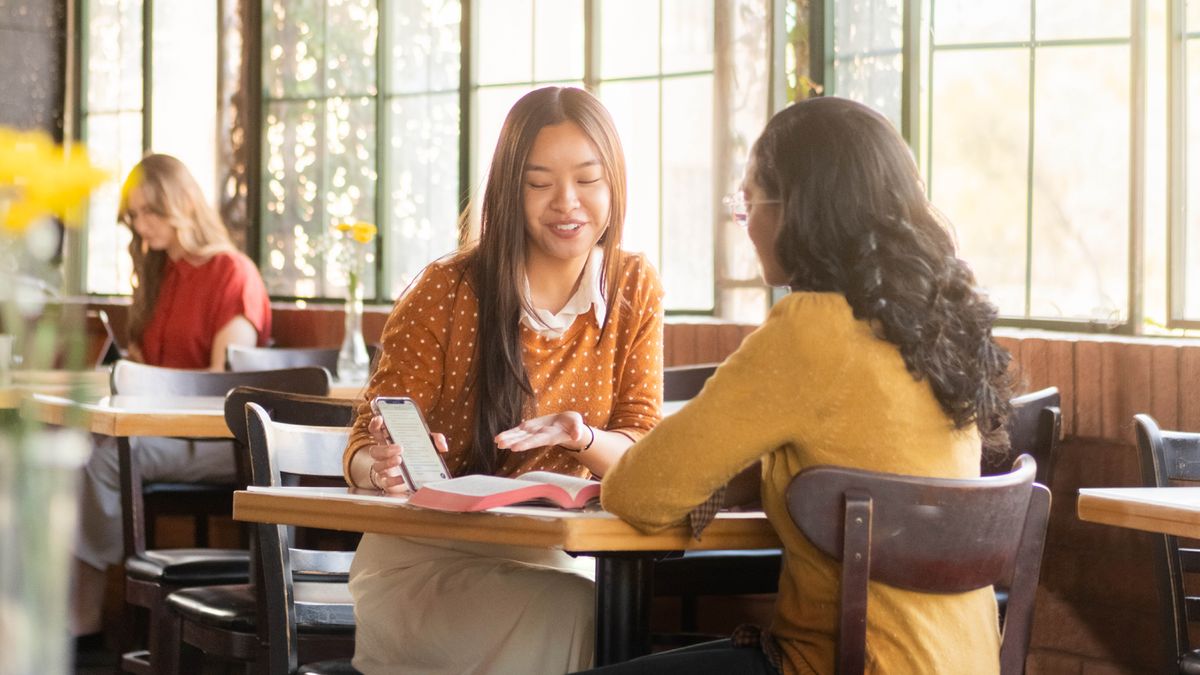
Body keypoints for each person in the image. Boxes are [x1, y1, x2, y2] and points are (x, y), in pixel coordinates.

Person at [580, 96, 1015, 675]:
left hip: (852, 662)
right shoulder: (934, 327)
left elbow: (637, 492)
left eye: (749, 201)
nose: (747, 224)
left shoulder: (810, 328)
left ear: (799, 210)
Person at [343, 86, 664, 674]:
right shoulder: (447, 289)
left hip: (560, 557)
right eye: (539, 183)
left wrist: (582, 437)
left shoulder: (633, 286)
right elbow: (365, 441)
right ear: (509, 190)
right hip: (422, 562)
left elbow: (641, 451)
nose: (567, 202)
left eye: (588, 180)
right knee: (583, 615)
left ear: (614, 183)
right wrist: (380, 465)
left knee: (608, 612)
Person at [71, 153, 272, 641]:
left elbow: (222, 387)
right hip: (162, 433)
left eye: (149, 212)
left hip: (224, 443)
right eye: (134, 215)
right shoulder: (159, 274)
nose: (140, 225)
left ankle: (83, 612)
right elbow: (139, 369)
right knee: (64, 448)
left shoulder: (231, 273)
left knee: (102, 461)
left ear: (182, 203)